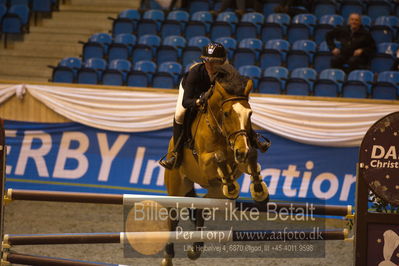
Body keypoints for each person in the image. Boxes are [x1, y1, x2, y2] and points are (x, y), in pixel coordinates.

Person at [159, 42, 270, 170]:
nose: (210, 65)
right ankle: (176, 154)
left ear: (222, 62)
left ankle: (254, 137)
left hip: (214, 98)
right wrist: (198, 102)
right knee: (180, 114)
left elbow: (237, 91)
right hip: (193, 95)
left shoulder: (229, 72)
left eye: (215, 62)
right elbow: (186, 101)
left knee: (239, 111)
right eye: (207, 61)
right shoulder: (195, 73)